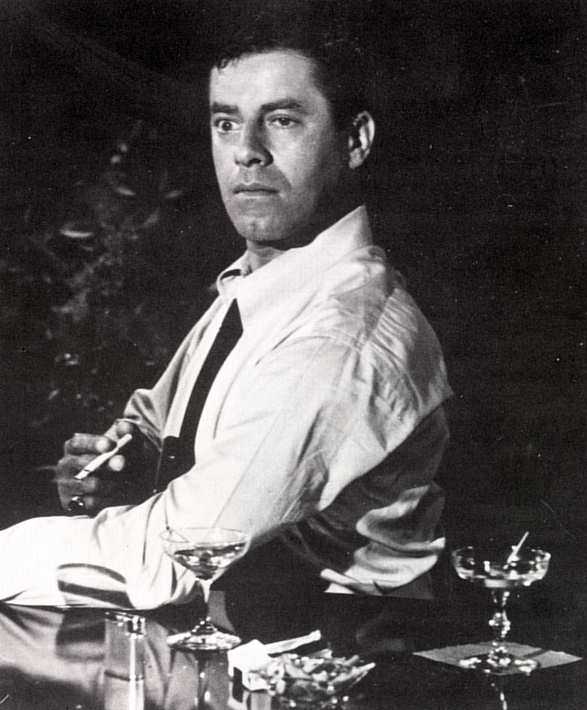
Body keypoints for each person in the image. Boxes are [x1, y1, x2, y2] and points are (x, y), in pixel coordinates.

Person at [0, 22, 452, 608]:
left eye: (282, 120)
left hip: (338, 646)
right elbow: (159, 434)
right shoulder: (259, 287)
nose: (246, 151)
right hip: (226, 631)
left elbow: (181, 552)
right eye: (226, 123)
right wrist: (118, 472)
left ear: (356, 140)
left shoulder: (342, 333)